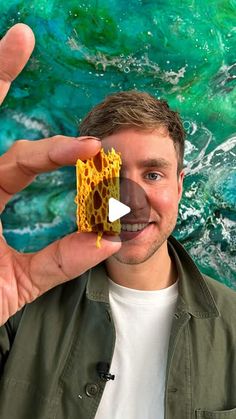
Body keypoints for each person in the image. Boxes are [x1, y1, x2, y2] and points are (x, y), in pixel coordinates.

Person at [0, 24, 236, 419]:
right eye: (112, 176)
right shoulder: (17, 310)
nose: (130, 202)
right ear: (85, 186)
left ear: (180, 186)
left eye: (153, 175)